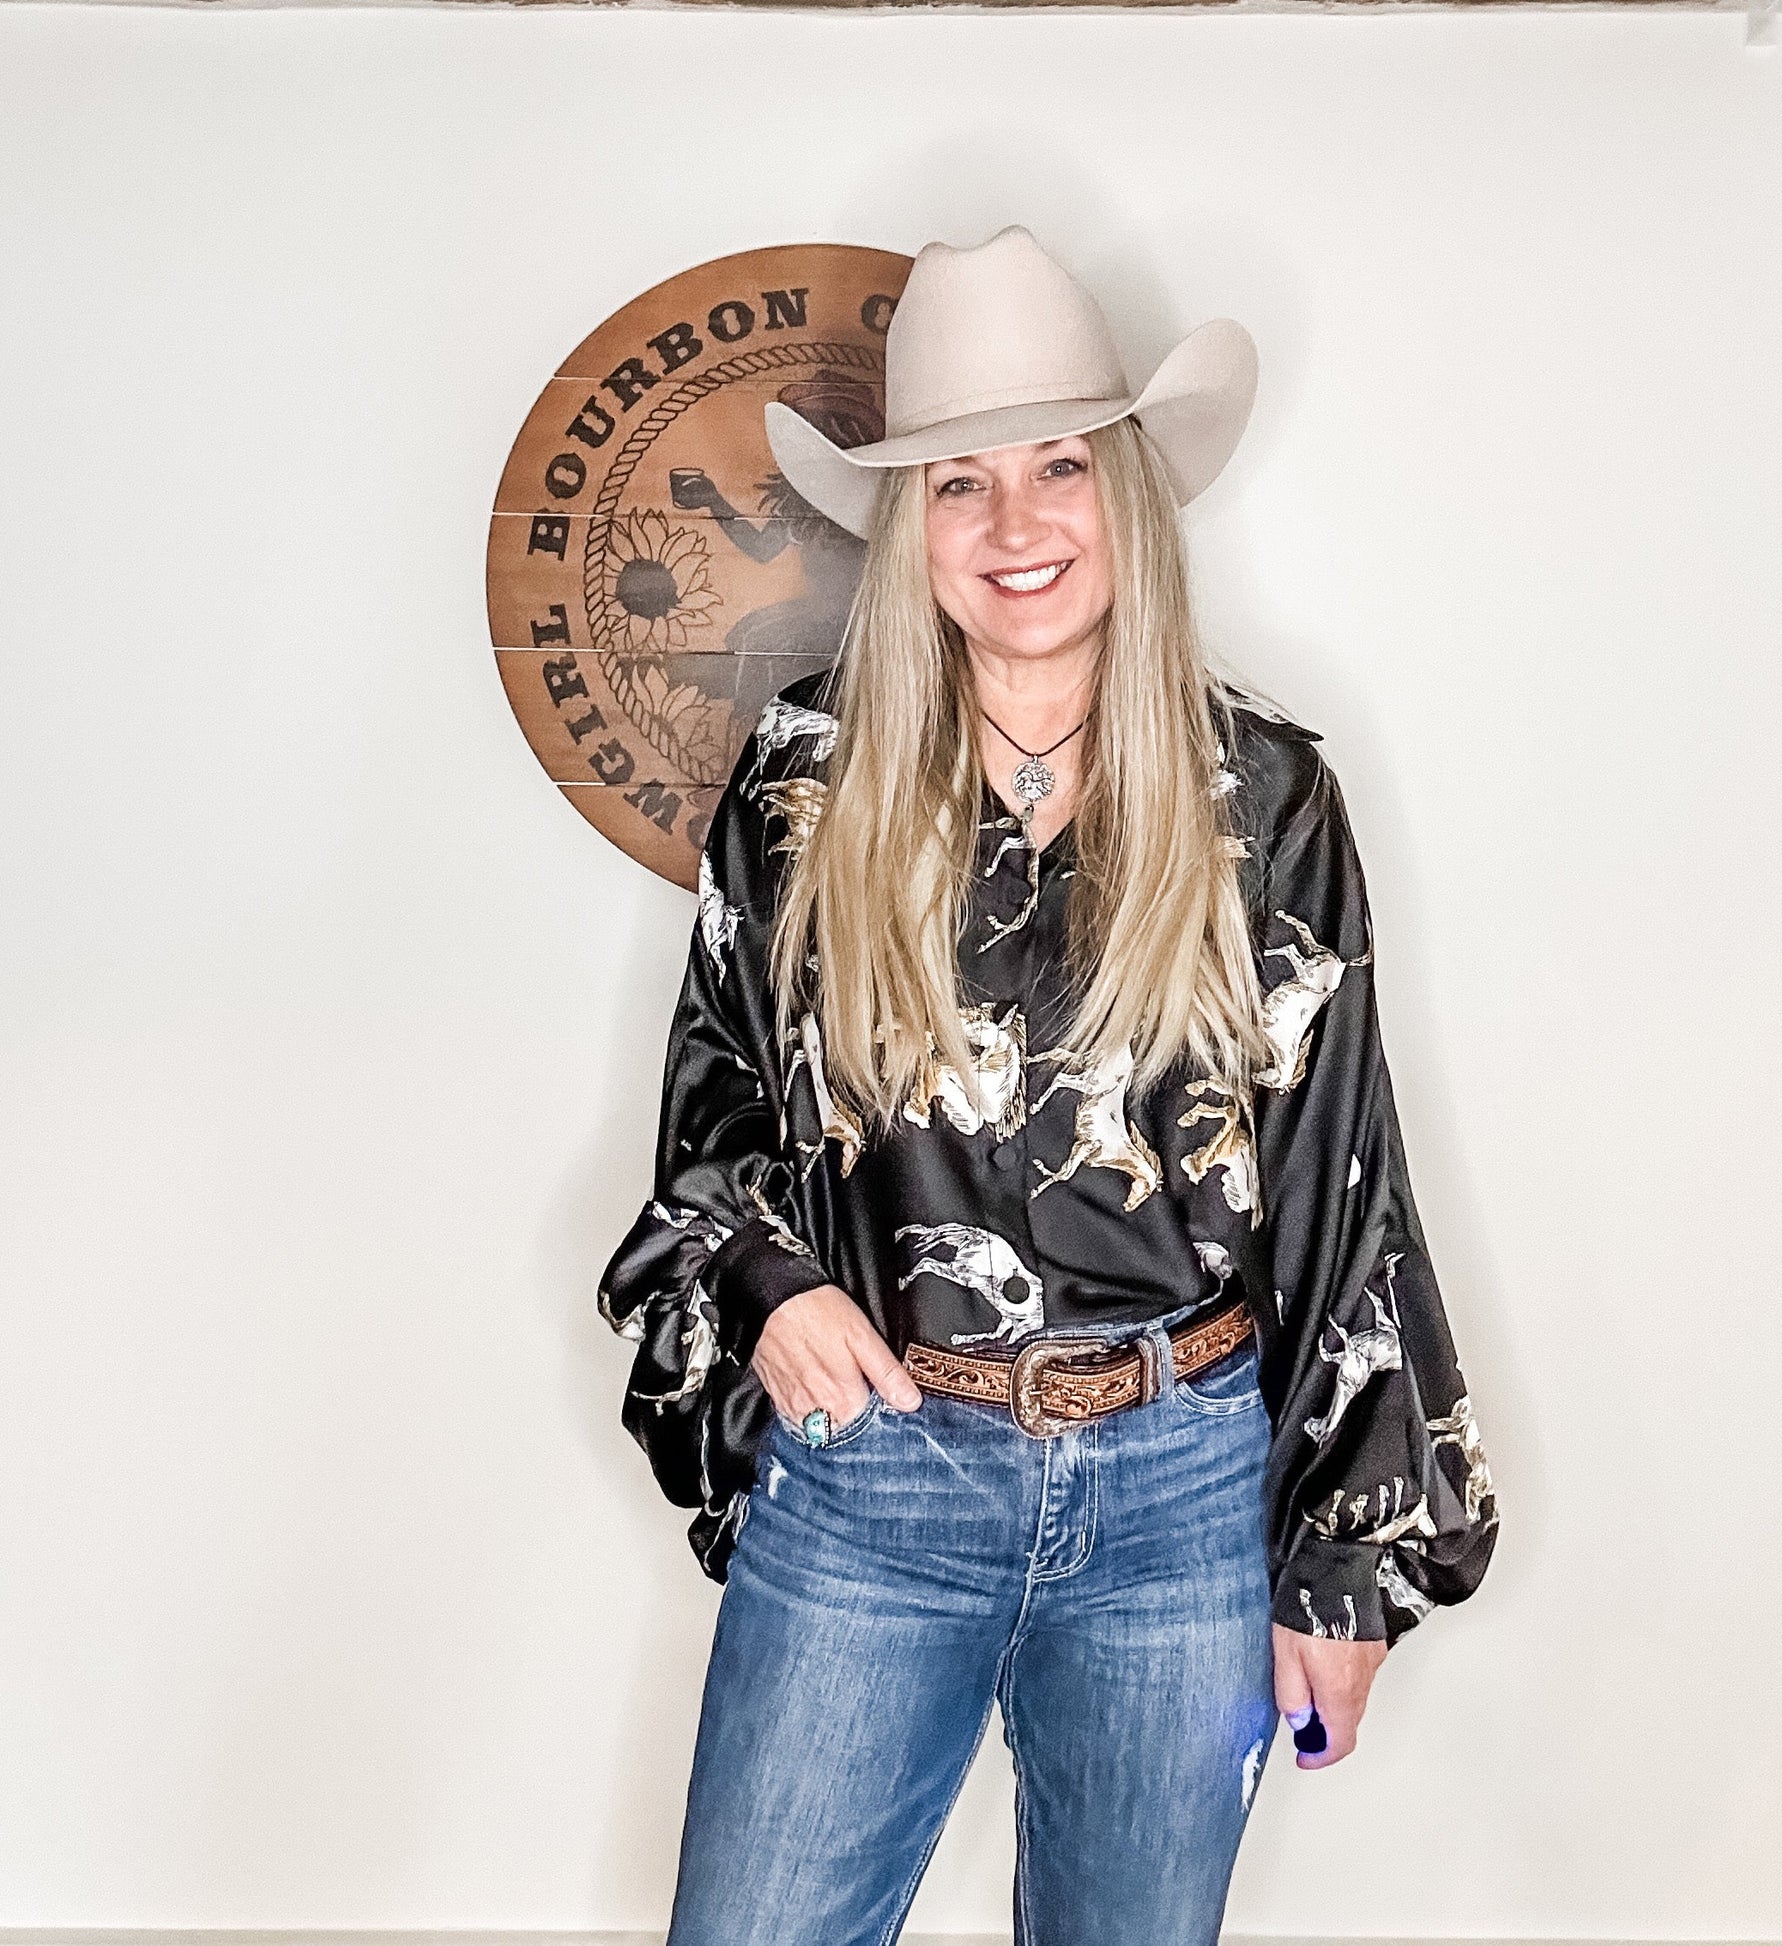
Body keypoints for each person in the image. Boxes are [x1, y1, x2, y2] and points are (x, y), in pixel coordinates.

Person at [599, 224, 1499, 1946]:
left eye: (1056, 467)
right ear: (909, 531)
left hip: (1181, 1488)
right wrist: (766, 1280)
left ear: (1127, 496)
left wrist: (1341, 1558)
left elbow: (1339, 1181)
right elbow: (712, 1098)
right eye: (957, 485)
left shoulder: (1267, 796)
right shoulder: (801, 777)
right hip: (877, 1474)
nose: (1014, 526)